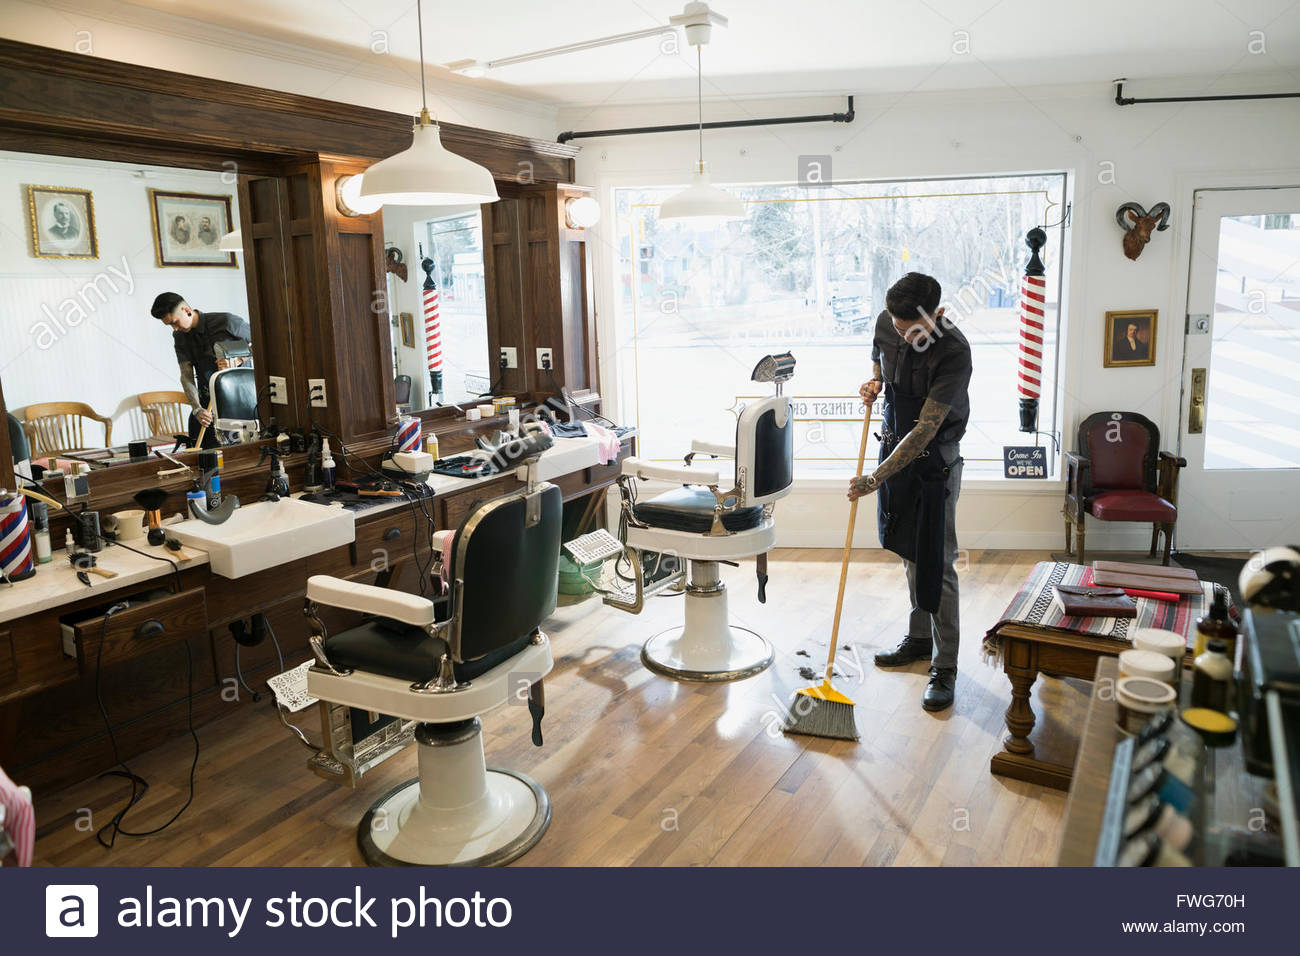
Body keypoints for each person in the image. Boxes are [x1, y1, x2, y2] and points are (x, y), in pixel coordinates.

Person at [849, 272, 972, 712]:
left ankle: (946, 665)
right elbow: (879, 356)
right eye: (898, 329)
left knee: (937, 562)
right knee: (908, 551)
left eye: (913, 331)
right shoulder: (889, 322)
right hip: (891, 447)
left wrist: (875, 477)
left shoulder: (954, 351)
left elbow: (924, 431)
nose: (903, 335)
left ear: (937, 315)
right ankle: (919, 640)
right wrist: (875, 380)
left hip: (935, 459)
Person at [150, 292, 251, 449]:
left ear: (186, 310)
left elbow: (262, 342)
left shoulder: (226, 321)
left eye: (175, 322)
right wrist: (197, 408)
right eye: (170, 325)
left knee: (238, 457)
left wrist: (238, 360)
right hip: (208, 404)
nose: (175, 328)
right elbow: (186, 375)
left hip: (238, 404)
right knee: (204, 458)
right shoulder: (179, 336)